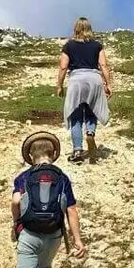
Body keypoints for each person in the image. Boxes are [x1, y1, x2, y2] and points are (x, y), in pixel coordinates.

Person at [12, 130, 86, 268]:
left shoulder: (23, 177)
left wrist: (15, 224)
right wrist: (77, 240)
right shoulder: (62, 178)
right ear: (53, 154)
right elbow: (71, 210)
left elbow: (16, 200)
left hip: (30, 234)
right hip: (54, 234)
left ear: (30, 156)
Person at [56, 16, 112, 163]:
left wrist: (59, 85)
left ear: (76, 28)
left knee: (76, 115)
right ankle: (90, 133)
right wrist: (108, 84)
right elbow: (103, 65)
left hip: (77, 80)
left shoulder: (69, 46)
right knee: (92, 111)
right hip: (94, 79)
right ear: (89, 29)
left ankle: (77, 151)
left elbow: (63, 67)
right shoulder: (97, 46)